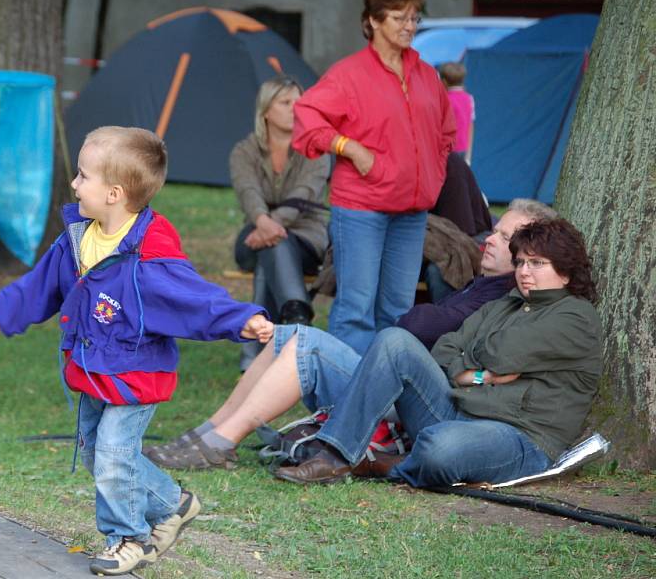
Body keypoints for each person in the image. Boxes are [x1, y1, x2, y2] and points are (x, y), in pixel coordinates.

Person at [0, 126, 274, 576]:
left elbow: (193, 297)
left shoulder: (149, 257)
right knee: (98, 453)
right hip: (94, 370)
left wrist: (240, 319)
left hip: (136, 374)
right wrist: (2, 315)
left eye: (82, 176)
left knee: (114, 453)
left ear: (114, 193)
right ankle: (174, 504)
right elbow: (39, 285)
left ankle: (128, 539)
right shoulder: (78, 239)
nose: (74, 185)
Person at [143, 200, 555, 470]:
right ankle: (207, 435)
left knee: (303, 343)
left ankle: (218, 442)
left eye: (505, 237)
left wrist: (423, 319)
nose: (490, 241)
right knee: (289, 336)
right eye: (496, 231)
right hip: (400, 390)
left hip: (414, 406)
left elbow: (416, 327)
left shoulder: (504, 294)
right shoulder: (485, 285)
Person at [275, 218, 602, 486]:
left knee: (440, 448)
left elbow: (501, 355)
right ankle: (335, 455)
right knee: (395, 341)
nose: (524, 272)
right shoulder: (509, 301)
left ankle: (383, 466)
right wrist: (476, 374)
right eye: (521, 262)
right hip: (461, 407)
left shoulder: (574, 315)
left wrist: (469, 360)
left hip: (520, 435)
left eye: (537, 263)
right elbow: (447, 347)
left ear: (565, 272)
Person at [292, 0, 456, 355]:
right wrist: (348, 147)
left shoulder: (427, 75)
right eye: (399, 18)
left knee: (399, 311)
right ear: (373, 21)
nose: (409, 26)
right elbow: (307, 116)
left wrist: (434, 171)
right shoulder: (348, 74)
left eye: (414, 18)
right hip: (361, 208)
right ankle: (346, 397)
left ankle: (385, 398)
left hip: (413, 211)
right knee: (356, 309)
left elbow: (446, 130)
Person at [231, 75, 330, 369]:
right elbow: (247, 191)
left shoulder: (315, 150)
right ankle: (297, 316)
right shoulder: (243, 151)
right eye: (285, 102)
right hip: (254, 234)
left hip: (307, 238)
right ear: (265, 111)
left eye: (299, 102)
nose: (295, 108)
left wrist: (269, 226)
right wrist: (263, 222)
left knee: (272, 248)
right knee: (273, 245)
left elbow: (304, 195)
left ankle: (254, 352)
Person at [438, 62, 475, 164]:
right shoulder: (469, 98)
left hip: (447, 152)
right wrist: (468, 156)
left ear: (444, 82)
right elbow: (470, 126)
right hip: (463, 150)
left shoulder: (443, 100)